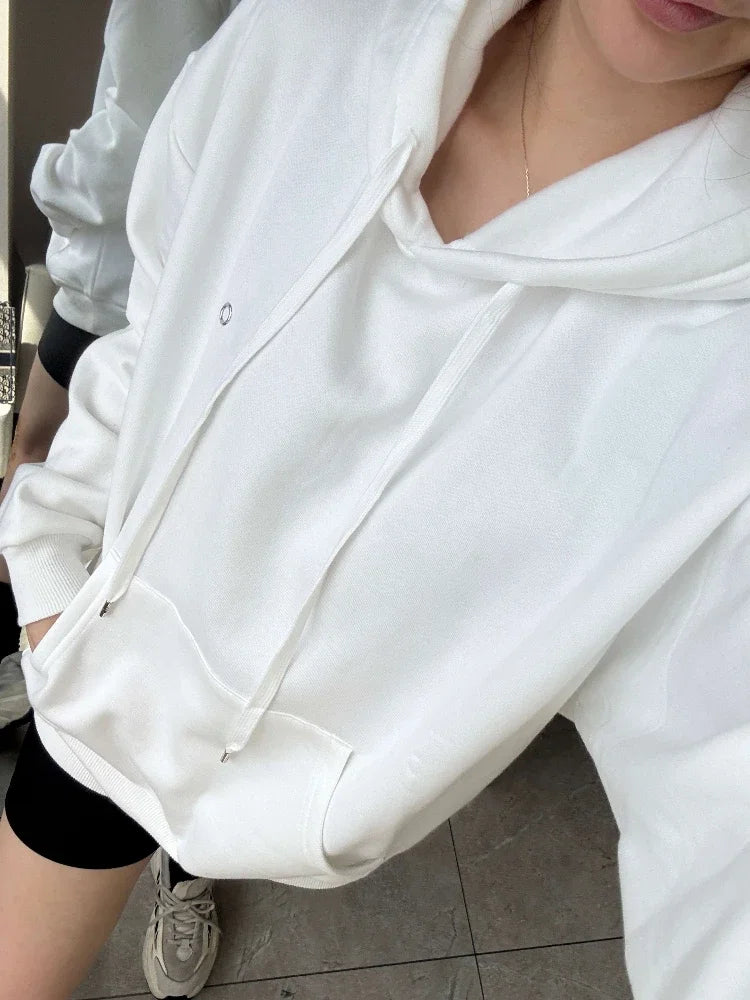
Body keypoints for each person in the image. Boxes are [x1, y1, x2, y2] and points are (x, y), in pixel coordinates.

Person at [0, 0, 748, 996]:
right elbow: (163, 308)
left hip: (258, 778)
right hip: (111, 656)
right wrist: (59, 562)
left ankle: (189, 856)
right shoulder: (306, 36)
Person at [0, 2, 242, 996]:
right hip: (146, 302)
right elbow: (138, 110)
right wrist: (73, 315)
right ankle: (42, 671)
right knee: (40, 493)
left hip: (281, 388)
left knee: (198, 648)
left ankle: (183, 854)